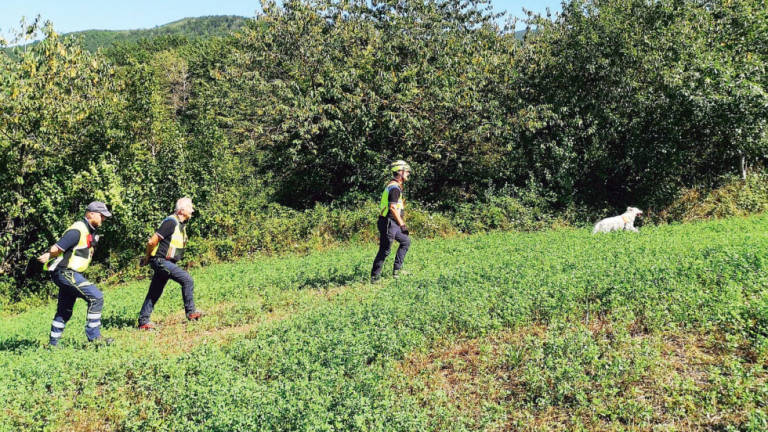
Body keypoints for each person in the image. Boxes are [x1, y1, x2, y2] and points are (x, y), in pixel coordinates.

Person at [37, 201, 113, 346]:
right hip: (65, 272)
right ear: (91, 214)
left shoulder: (90, 230)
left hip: (68, 273)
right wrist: (48, 255)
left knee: (64, 311)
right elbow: (57, 247)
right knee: (96, 297)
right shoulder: (78, 229)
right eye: (101, 215)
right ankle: (95, 339)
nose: (104, 219)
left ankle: (53, 345)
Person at [137, 197, 201, 329]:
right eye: (190, 207)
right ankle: (191, 313)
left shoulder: (180, 225)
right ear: (182, 210)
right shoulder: (171, 222)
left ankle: (143, 321)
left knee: (155, 291)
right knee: (187, 280)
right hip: (161, 261)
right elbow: (151, 242)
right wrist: (148, 258)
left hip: (165, 262)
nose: (192, 210)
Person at [371, 160, 412, 283]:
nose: (408, 173)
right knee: (385, 250)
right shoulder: (394, 188)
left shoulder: (395, 186)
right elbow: (392, 208)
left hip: (393, 223)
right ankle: (374, 278)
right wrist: (402, 224)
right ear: (400, 172)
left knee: (405, 241)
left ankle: (397, 271)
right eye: (407, 171)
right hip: (388, 223)